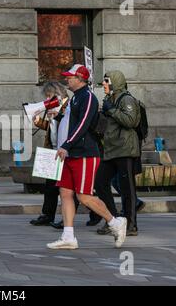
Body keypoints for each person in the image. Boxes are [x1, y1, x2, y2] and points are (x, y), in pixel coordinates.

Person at [46, 64, 127, 250]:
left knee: (84, 197)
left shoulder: (88, 97)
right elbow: (71, 121)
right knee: (65, 193)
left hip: (84, 154)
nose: (67, 79)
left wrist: (66, 145)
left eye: (70, 77)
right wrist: (58, 117)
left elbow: (82, 125)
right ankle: (68, 236)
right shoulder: (75, 98)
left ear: (80, 78)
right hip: (70, 153)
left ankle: (115, 222)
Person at [93, 71, 141, 236]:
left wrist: (112, 110)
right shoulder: (109, 100)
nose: (103, 84)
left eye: (106, 81)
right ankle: (113, 220)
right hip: (111, 150)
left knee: (128, 189)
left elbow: (131, 121)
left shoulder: (126, 99)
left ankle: (131, 225)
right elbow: (103, 127)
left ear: (116, 82)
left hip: (125, 149)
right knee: (99, 182)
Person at [29, 81, 79, 228]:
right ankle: (47, 214)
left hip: (65, 150)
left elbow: (69, 126)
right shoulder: (54, 107)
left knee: (68, 187)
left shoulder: (68, 106)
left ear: (57, 94)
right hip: (52, 149)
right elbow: (53, 128)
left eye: (49, 96)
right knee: (50, 186)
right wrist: (39, 122)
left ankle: (68, 218)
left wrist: (58, 116)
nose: (47, 99)